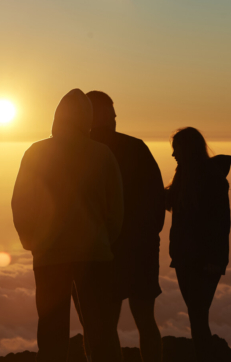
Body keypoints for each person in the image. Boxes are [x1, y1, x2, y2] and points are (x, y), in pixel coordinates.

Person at [12, 89, 124, 362]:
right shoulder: (102, 154)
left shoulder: (36, 153)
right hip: (95, 256)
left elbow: (21, 204)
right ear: (87, 120)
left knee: (52, 333)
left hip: (50, 257)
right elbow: (116, 210)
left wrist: (32, 242)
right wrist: (103, 241)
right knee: (101, 332)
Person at [71, 91, 165, 362]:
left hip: (98, 252)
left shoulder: (79, 151)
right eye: (111, 113)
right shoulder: (135, 147)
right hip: (140, 250)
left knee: (99, 327)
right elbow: (157, 201)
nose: (114, 118)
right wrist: (147, 237)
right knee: (146, 321)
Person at [165, 127, 231, 361]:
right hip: (186, 259)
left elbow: (221, 224)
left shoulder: (213, 180)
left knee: (198, 315)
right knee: (197, 315)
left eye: (176, 150)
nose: (173, 155)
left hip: (203, 262)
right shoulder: (184, 174)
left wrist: (215, 261)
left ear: (187, 149)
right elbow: (169, 200)